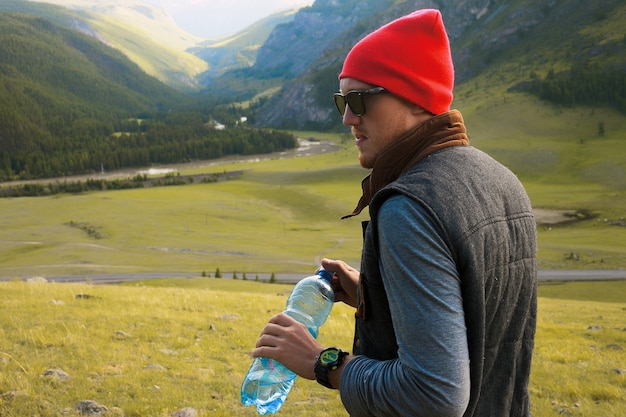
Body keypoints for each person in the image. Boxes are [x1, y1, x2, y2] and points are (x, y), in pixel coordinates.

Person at [252, 8, 537, 417]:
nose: (348, 117)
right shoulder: (500, 178)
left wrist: (323, 362)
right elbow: (481, 324)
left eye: (359, 100)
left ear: (414, 95)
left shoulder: (409, 206)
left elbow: (434, 397)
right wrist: (379, 296)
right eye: (342, 101)